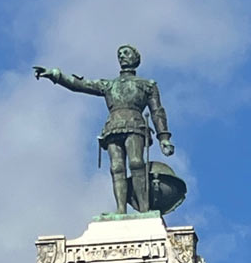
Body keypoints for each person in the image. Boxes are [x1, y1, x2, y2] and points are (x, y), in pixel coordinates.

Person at [34, 45, 174, 214]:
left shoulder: (147, 85)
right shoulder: (109, 85)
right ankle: (121, 210)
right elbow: (81, 84)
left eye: (126, 53)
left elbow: (157, 111)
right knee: (116, 167)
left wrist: (163, 137)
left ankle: (143, 209)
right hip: (113, 126)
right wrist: (56, 75)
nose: (122, 56)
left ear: (136, 59)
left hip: (135, 125)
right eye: (119, 54)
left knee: (137, 163)